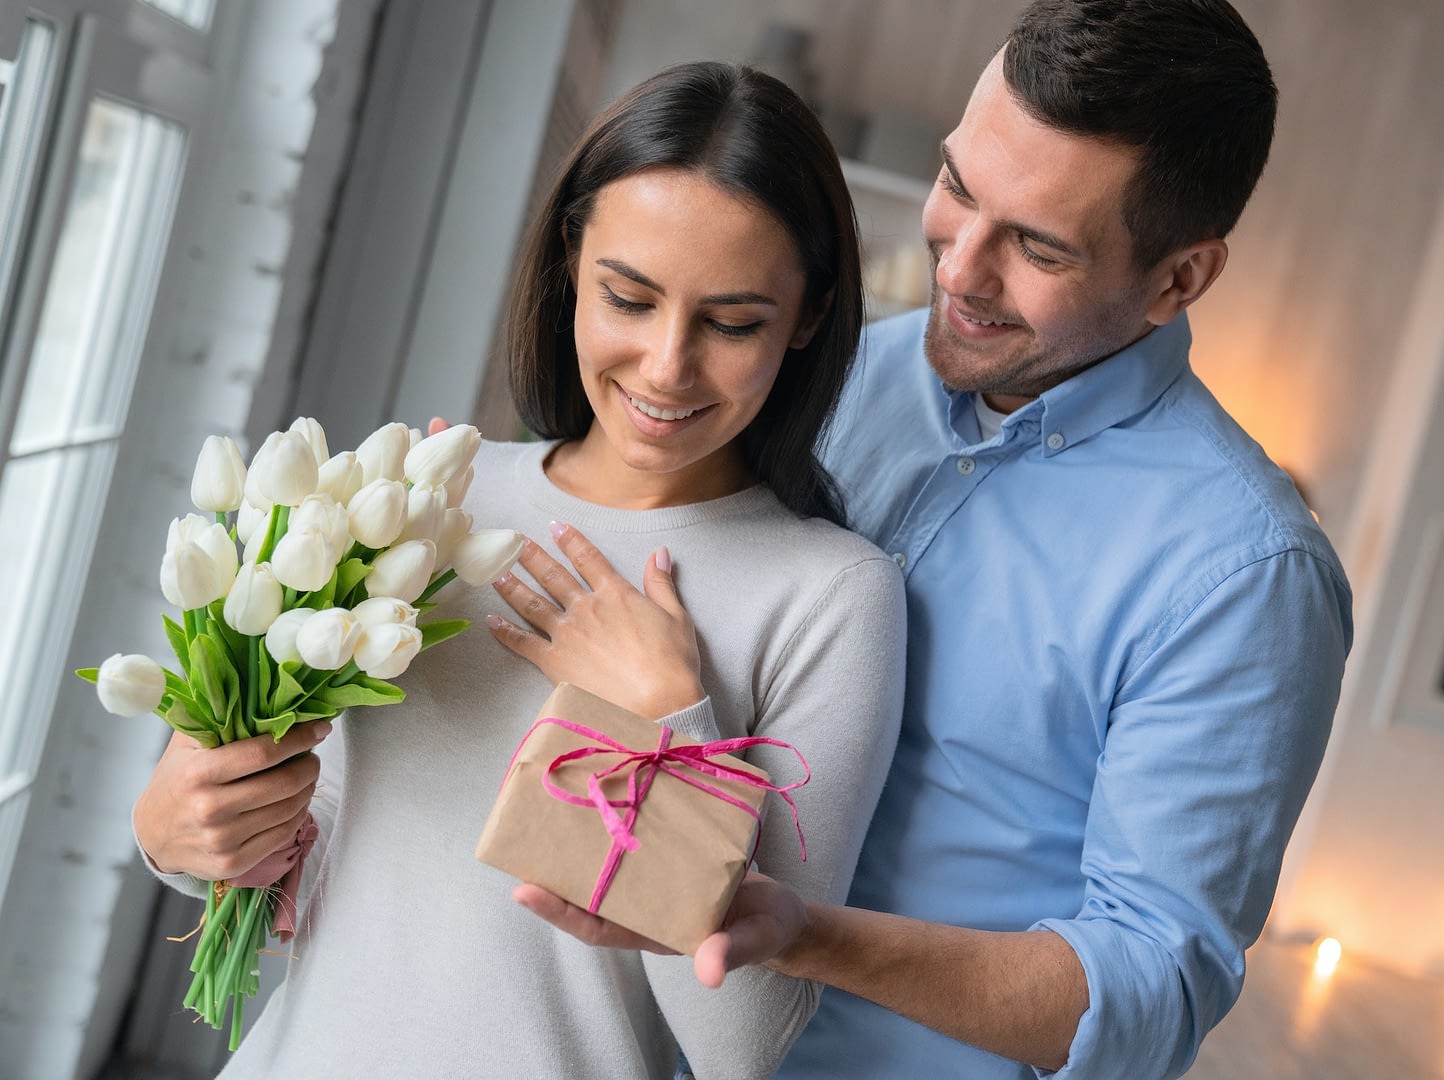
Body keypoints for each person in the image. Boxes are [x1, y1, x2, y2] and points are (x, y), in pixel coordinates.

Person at [506, 2, 1355, 1078]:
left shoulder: (1244, 576)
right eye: (958, 188)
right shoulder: (827, 375)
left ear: (1177, 279)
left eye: (1037, 245)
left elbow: (1149, 990)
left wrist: (803, 933)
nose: (959, 269)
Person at [129, 61, 906, 1080]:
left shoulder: (830, 597)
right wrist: (180, 834)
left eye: (731, 323)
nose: (667, 365)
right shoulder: (423, 493)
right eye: (627, 298)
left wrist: (663, 715)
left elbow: (740, 1041)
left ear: (806, 318)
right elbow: (312, 892)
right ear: (569, 266)